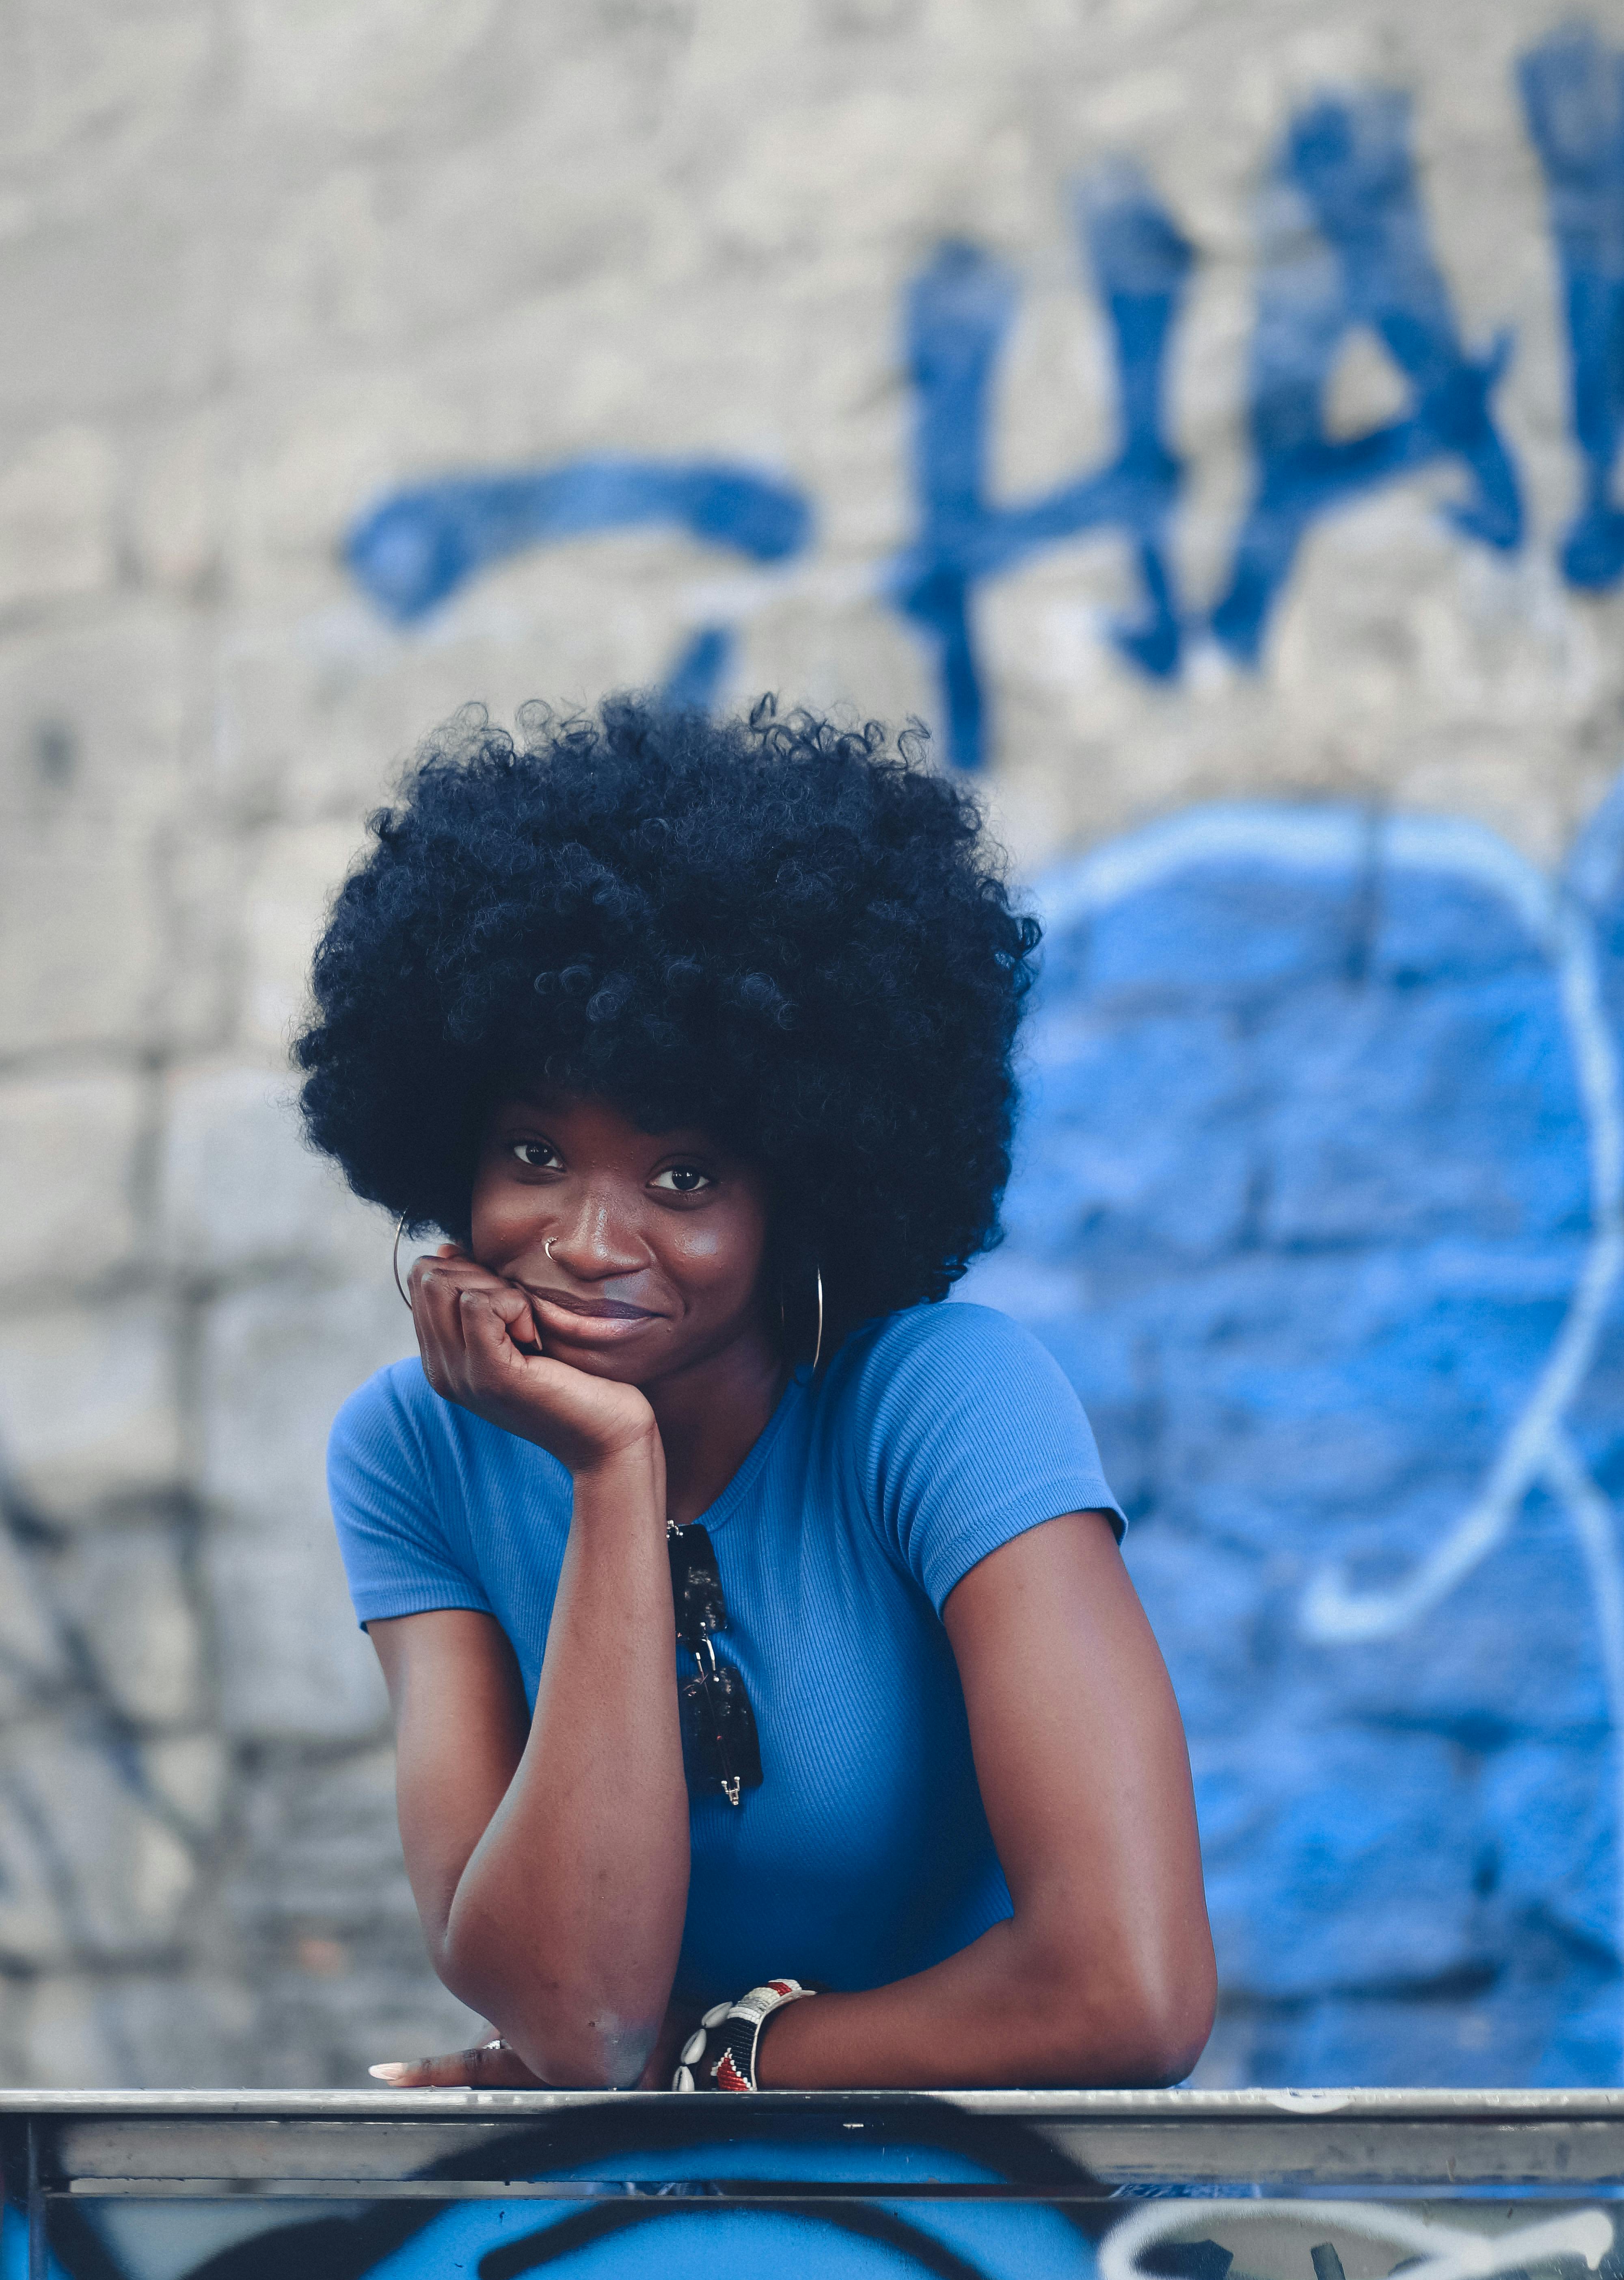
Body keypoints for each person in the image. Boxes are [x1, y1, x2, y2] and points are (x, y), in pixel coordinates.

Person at [299, 695, 1215, 2093]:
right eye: (536, 1153)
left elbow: (1126, 1991)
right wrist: (614, 1477)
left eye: (685, 1178)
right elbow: (575, 2016)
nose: (592, 1243)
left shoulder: (942, 1406)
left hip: (992, 2251)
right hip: (610, 2270)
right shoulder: (415, 1452)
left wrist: (719, 2061)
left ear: (801, 1189)